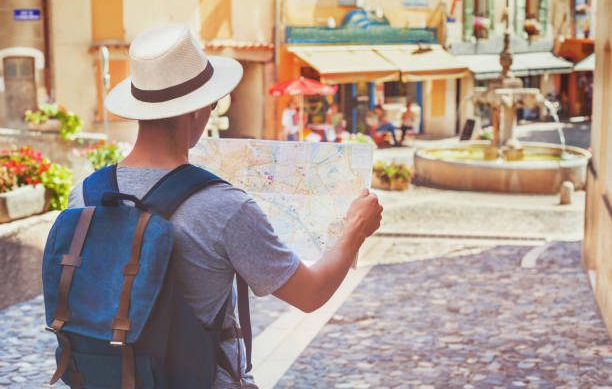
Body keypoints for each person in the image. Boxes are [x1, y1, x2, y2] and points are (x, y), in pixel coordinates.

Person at [67, 24, 383, 388]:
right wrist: (355, 229)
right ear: (200, 109)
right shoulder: (224, 206)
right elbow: (310, 294)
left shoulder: (85, 196)